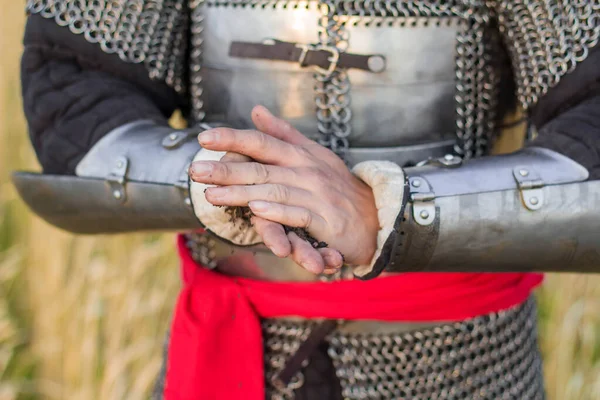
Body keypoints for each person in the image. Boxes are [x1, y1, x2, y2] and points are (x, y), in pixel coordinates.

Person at [14, 0, 600, 399]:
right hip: (233, 344)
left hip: (461, 357)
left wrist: (392, 211)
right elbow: (76, 89)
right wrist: (223, 177)